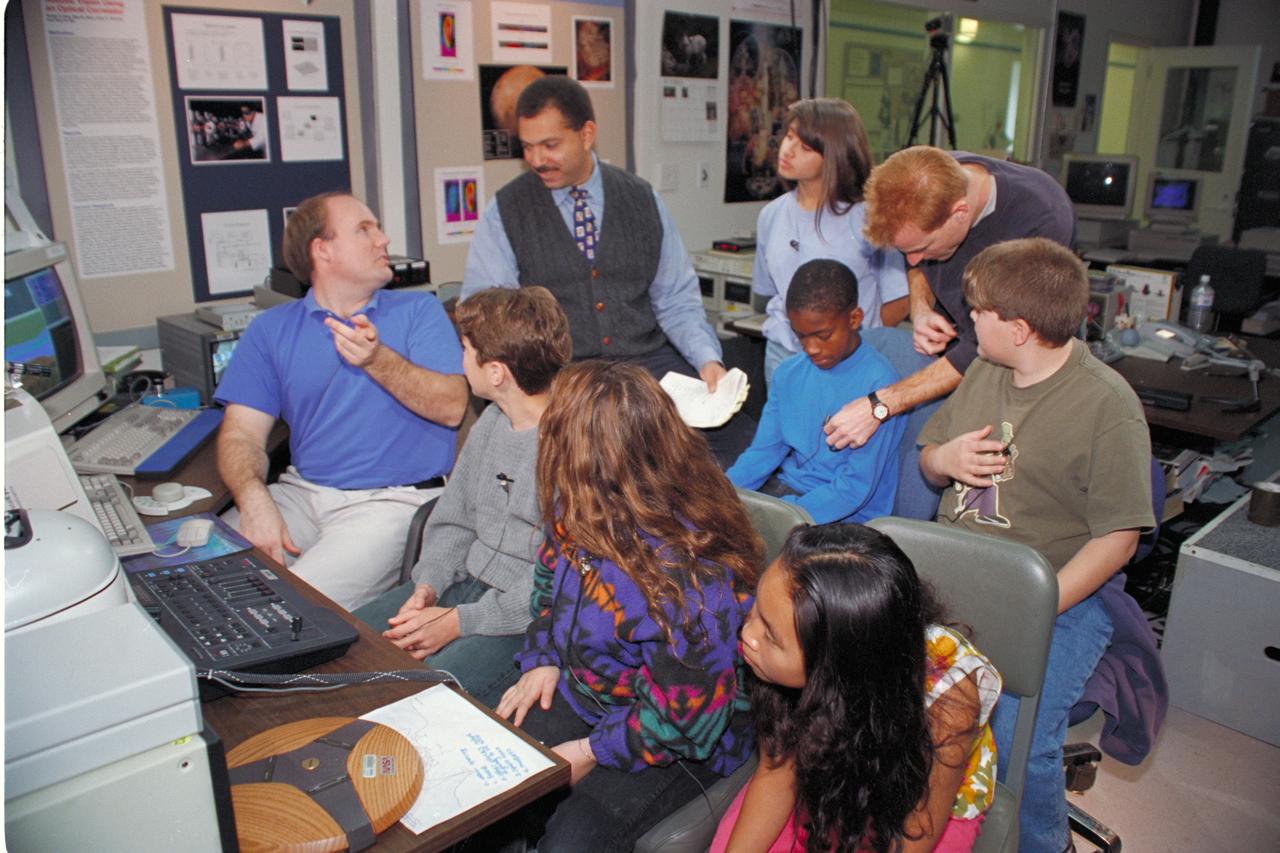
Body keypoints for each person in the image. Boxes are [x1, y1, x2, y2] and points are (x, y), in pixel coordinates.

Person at [917, 238, 1154, 853]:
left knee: (1022, 736)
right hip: (959, 575)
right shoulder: (985, 373)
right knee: (887, 692)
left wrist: (1035, 608)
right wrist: (947, 457)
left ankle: (1045, 845)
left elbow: (1119, 539)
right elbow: (929, 463)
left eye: (979, 312)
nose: (969, 319)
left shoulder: (1108, 406)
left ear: (1019, 329)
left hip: (1061, 593)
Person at [493, 360, 761, 852]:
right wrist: (544, 658)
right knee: (497, 787)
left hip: (677, 737)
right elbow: (547, 584)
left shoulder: (690, 579)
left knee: (569, 842)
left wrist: (589, 751)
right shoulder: (575, 506)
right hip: (590, 692)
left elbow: (685, 723)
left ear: (581, 460)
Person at [461, 75, 753, 466]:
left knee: (745, 449)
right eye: (527, 147)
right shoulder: (507, 211)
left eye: (550, 145)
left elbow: (676, 301)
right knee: (602, 468)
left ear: (586, 134)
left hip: (648, 367)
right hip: (562, 377)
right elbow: (489, 320)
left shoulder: (641, 198)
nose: (536, 160)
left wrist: (707, 361)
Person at [215, 191, 468, 611]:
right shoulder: (270, 330)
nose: (383, 239)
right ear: (323, 249)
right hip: (302, 493)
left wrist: (377, 359)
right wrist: (252, 498)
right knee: (204, 575)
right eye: (364, 230)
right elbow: (241, 433)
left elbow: (452, 407)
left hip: (391, 502)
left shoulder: (418, 311)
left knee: (285, 610)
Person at [714, 523, 1002, 853]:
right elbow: (777, 773)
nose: (747, 634)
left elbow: (915, 836)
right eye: (757, 611)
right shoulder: (776, 661)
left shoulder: (950, 697)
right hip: (826, 772)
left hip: (915, 808)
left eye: (770, 636)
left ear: (832, 664)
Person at [351, 286, 571, 706]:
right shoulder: (491, 422)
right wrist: (429, 583)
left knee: (414, 703)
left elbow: (560, 579)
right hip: (461, 586)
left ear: (495, 372)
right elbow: (455, 520)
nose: (460, 360)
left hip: (526, 618)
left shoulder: (572, 447)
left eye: (466, 349)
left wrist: (459, 622)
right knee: (347, 649)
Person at [824, 146, 1074, 452]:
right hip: (962, 352)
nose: (913, 262)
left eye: (923, 247)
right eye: (905, 252)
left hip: (1019, 373)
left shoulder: (1040, 221)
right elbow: (915, 261)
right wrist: (921, 308)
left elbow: (982, 348)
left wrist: (880, 405)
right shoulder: (930, 174)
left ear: (960, 213)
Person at [727, 259, 903, 523]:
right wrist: (721, 493)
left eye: (822, 335)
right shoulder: (788, 373)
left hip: (847, 515)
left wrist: (783, 514)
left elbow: (854, 489)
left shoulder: (882, 389)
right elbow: (764, 452)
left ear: (854, 318)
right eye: (801, 336)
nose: (811, 348)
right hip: (787, 494)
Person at [752, 98, 909, 384]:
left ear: (834, 154)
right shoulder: (770, 215)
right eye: (788, 137)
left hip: (849, 359)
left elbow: (899, 297)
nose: (788, 150)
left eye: (805, 146)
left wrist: (854, 342)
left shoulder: (869, 217)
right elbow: (767, 292)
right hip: (783, 356)